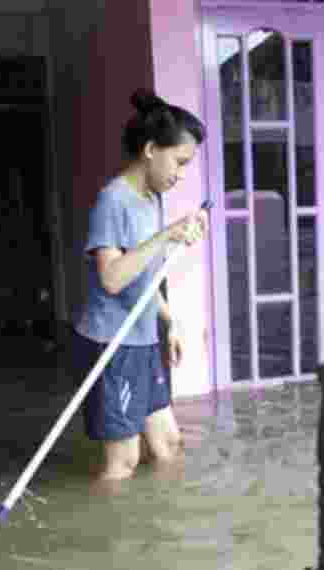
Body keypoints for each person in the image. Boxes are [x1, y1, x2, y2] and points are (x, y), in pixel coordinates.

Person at [71, 89, 209, 484]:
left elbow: (144, 276)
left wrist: (169, 322)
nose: (180, 174)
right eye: (179, 162)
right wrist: (167, 235)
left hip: (143, 337)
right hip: (112, 344)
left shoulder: (151, 198)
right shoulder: (112, 201)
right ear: (151, 149)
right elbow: (112, 278)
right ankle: (108, 541)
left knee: (168, 446)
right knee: (123, 464)